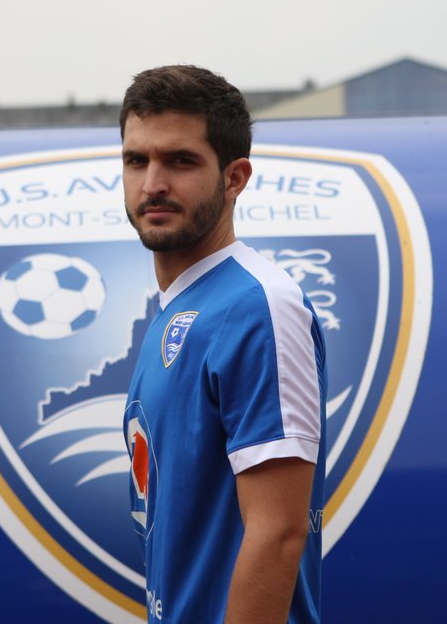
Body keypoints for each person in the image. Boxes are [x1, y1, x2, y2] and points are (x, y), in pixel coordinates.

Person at [120, 65, 328, 623]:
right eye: (136, 160)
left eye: (180, 161)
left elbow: (279, 532)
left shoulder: (259, 306)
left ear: (234, 178)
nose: (152, 183)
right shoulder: (176, 309)